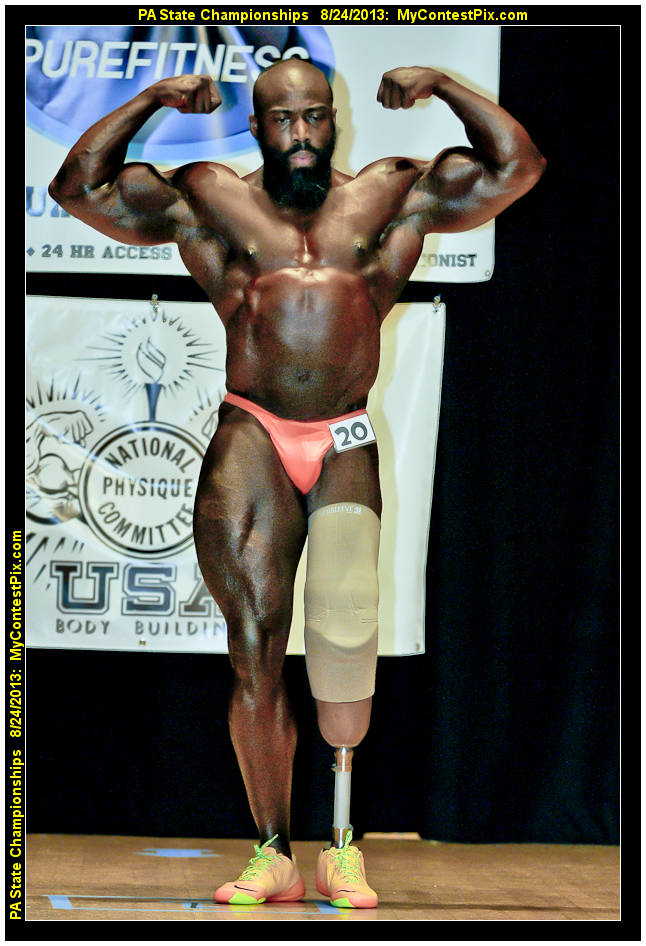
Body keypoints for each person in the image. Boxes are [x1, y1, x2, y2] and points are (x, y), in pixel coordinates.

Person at [49, 58, 545, 909]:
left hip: (344, 433)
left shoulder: (388, 195)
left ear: (334, 116)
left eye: (316, 116)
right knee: (255, 648)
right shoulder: (211, 197)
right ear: (256, 127)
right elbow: (77, 189)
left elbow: (518, 167)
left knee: (348, 635)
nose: (304, 134)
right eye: (284, 120)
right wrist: (153, 99)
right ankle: (273, 849)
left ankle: (343, 846)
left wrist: (443, 85)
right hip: (253, 433)